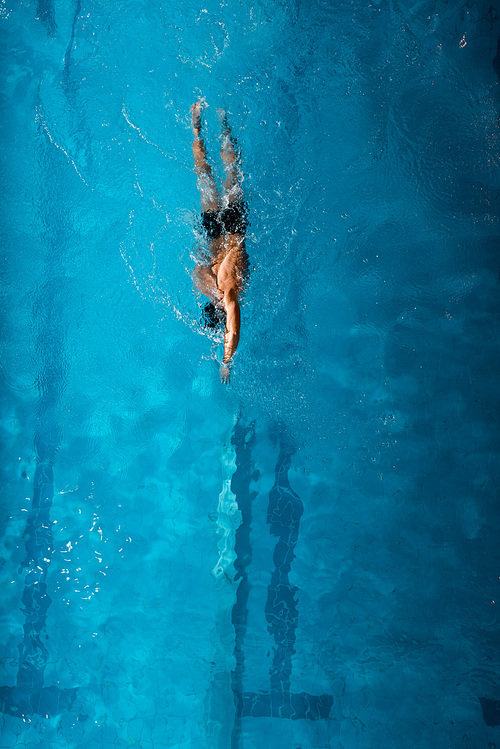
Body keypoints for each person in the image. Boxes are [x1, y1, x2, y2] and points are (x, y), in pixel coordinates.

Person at [191, 99, 249, 383]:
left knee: (228, 175)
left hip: (232, 232)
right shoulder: (205, 283)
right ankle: (200, 129)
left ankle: (221, 126)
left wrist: (227, 361)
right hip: (215, 235)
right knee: (206, 176)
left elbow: (234, 330)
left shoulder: (228, 290)